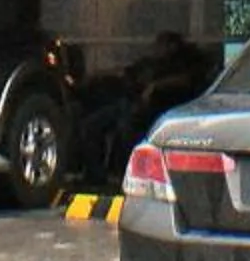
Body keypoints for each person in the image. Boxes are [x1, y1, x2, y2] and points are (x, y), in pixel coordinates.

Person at [74, 29, 211, 182]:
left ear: (172, 46)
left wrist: (155, 86)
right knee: (90, 126)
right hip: (129, 104)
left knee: (126, 127)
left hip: (159, 111)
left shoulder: (183, 63)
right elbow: (125, 72)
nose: (157, 49)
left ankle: (131, 175)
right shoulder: (149, 63)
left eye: (162, 45)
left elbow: (186, 80)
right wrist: (98, 75)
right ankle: (96, 175)